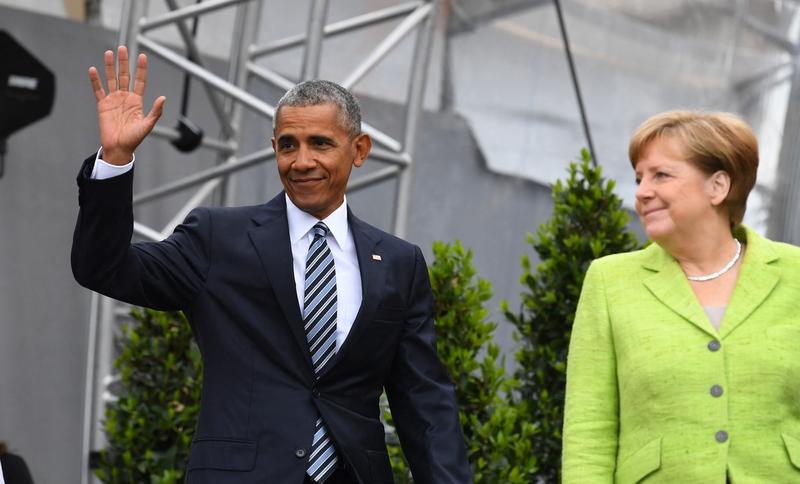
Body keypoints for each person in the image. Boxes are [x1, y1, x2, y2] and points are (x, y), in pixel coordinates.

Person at [72, 46, 471, 484]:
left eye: (320, 143)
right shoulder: (217, 238)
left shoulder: (398, 263)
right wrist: (114, 161)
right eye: (288, 145)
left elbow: (424, 401)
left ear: (359, 150)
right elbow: (105, 268)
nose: (302, 162)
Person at [561, 110, 800, 482]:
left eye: (662, 175)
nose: (642, 192)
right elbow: (589, 429)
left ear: (718, 187)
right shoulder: (610, 281)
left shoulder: (794, 273)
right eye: (639, 178)